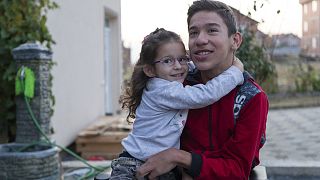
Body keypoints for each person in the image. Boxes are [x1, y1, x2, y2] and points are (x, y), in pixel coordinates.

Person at [136, 1, 269, 180]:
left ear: (235, 40)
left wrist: (178, 157)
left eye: (212, 30)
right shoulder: (179, 86)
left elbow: (237, 169)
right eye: (194, 32)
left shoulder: (251, 98)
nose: (200, 40)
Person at [109, 28, 244, 179]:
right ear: (150, 70)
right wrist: (235, 72)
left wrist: (197, 64)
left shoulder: (166, 79)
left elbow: (187, 67)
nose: (178, 66)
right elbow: (205, 95)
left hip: (160, 165)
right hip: (133, 164)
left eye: (182, 59)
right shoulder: (163, 89)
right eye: (167, 61)